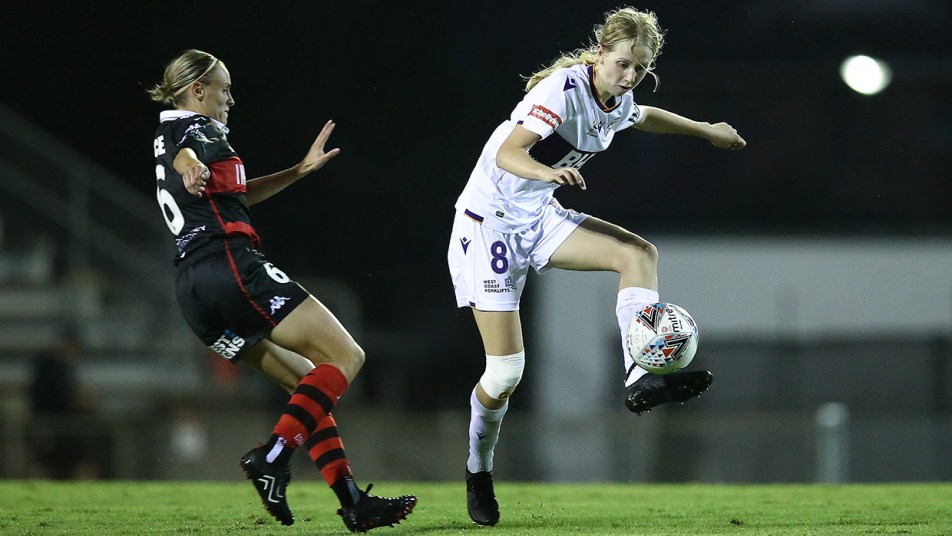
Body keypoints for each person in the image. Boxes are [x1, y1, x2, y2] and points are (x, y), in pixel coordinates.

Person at [447, 7, 746, 526]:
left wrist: (705, 129)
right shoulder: (561, 92)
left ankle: (638, 377)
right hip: (487, 226)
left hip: (538, 216)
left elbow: (644, 116)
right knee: (506, 372)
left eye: (639, 69)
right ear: (600, 54)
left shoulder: (619, 97)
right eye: (623, 64)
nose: (629, 77)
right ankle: (479, 470)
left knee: (638, 255)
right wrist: (550, 170)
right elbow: (509, 154)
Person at [148, 49, 416, 532]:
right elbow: (186, 151)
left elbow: (233, 192)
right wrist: (189, 164)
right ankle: (271, 457)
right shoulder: (193, 129)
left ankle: (352, 501)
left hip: (193, 289)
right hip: (229, 264)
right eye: (224, 88)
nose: (231, 98)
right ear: (197, 90)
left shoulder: (179, 132)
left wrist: (297, 171)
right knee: (346, 357)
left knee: (306, 381)